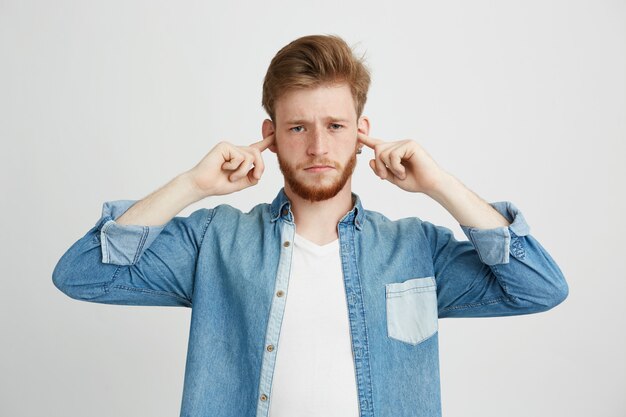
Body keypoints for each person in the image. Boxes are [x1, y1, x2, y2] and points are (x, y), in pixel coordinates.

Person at [52, 34, 568, 417]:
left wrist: (440, 185)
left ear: (362, 132)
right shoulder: (215, 240)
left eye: (335, 126)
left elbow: (539, 288)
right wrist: (193, 184)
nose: (318, 147)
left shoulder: (415, 250)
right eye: (298, 127)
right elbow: (82, 274)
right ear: (270, 135)